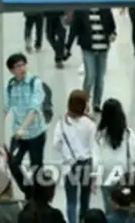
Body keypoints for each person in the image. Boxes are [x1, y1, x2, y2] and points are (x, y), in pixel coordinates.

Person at [4, 52, 47, 199]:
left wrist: (24, 128)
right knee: (13, 163)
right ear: (11, 70)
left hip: (35, 133)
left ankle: (39, 198)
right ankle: (28, 192)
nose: (21, 68)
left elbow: (34, 109)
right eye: (17, 66)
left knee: (37, 168)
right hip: (18, 135)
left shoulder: (35, 82)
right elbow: (5, 108)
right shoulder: (10, 86)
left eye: (23, 65)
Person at [53, 90, 96, 223]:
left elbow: (56, 144)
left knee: (71, 201)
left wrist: (66, 154)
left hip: (70, 165)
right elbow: (94, 147)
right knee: (85, 200)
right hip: (86, 164)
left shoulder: (61, 123)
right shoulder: (90, 124)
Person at [93, 98, 135, 212]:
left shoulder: (99, 135)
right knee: (127, 208)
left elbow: (95, 158)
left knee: (110, 210)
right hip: (125, 176)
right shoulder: (128, 134)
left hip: (106, 176)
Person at [65, 7, 116, 112]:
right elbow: (74, 29)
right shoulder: (81, 10)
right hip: (88, 48)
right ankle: (84, 104)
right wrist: (68, 47)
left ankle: (96, 103)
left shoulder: (105, 9)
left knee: (100, 78)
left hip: (103, 48)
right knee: (90, 76)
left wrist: (112, 34)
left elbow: (112, 26)